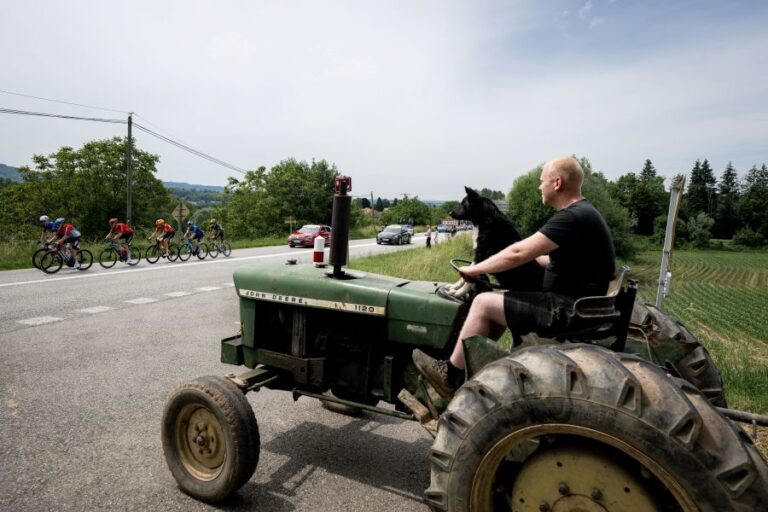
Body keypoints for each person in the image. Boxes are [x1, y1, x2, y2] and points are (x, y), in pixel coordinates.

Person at [413, 156, 616, 399]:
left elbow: (517, 252)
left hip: (566, 309)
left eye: (542, 181)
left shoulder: (572, 217)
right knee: (502, 300)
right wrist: (526, 260)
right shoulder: (584, 213)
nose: (539, 186)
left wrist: (475, 270)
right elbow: (555, 260)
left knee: (482, 302)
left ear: (557, 183)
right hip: (576, 306)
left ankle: (450, 375)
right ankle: (477, 370)